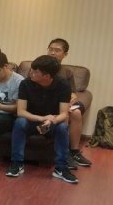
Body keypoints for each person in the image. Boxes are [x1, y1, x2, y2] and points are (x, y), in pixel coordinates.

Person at [6, 55, 76, 183]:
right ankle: (17, 163)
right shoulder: (26, 84)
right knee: (20, 122)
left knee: (62, 127)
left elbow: (64, 113)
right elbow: (21, 112)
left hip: (51, 122)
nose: (31, 73)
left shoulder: (63, 85)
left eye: (35, 71)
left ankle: (61, 168)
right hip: (31, 120)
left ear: (47, 76)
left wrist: (50, 121)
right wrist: (41, 118)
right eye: (31, 69)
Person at [47, 39, 92, 168]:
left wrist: (72, 98)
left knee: (76, 113)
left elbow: (72, 92)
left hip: (61, 103)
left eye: (57, 50)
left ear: (65, 54)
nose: (52, 53)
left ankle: (74, 152)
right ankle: (64, 153)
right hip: (45, 104)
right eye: (50, 49)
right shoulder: (40, 67)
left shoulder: (66, 72)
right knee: (65, 114)